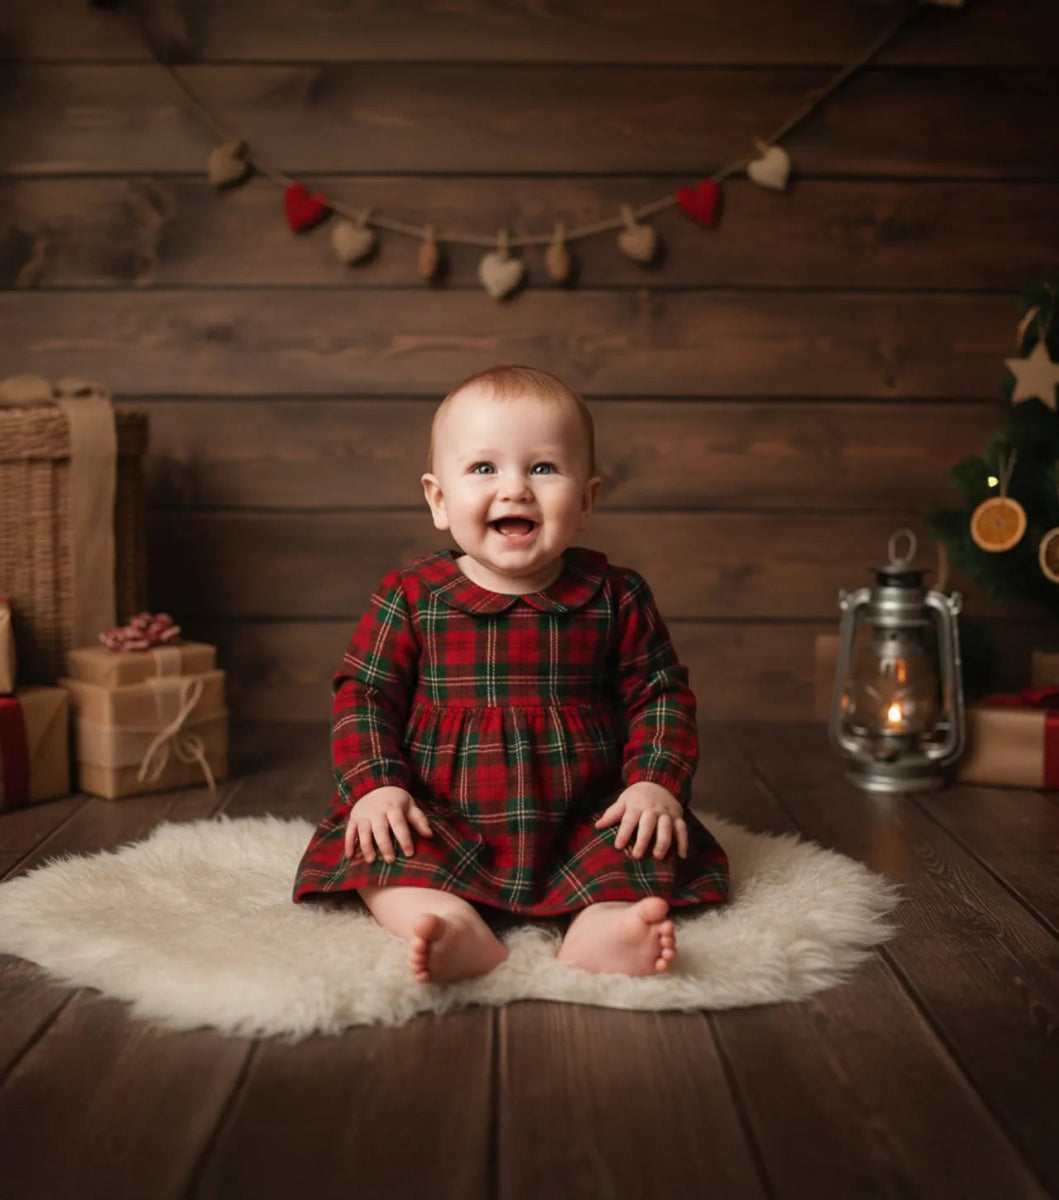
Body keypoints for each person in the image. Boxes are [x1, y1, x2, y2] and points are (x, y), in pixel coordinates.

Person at [292, 365, 728, 983]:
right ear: (439, 500)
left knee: (640, 847)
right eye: (483, 469)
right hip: (441, 809)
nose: (515, 489)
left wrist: (654, 784)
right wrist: (377, 786)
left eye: (543, 468)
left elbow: (658, 697)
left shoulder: (615, 595)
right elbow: (365, 696)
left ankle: (602, 930)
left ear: (586, 501)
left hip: (583, 811)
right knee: (381, 855)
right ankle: (447, 922)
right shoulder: (412, 595)